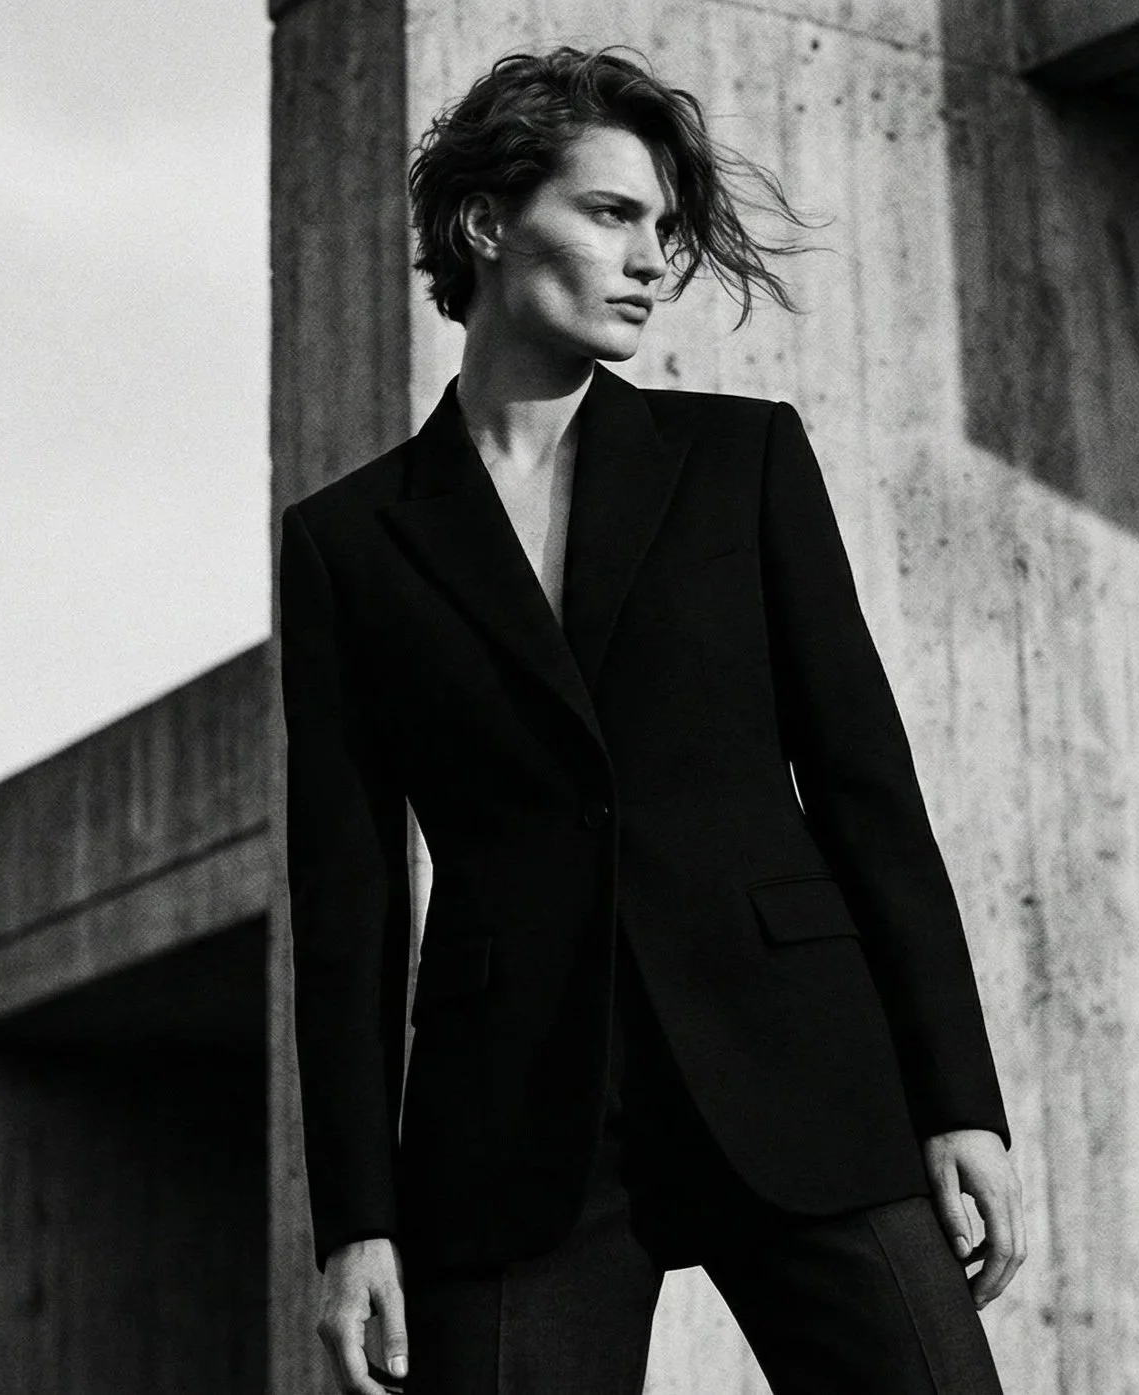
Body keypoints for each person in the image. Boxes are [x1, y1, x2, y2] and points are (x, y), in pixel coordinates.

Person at [279, 45, 1025, 1395]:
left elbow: (865, 792)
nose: (652, 260)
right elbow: (346, 904)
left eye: (666, 232)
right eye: (614, 213)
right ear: (487, 222)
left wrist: (957, 1094)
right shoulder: (350, 545)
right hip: (514, 1126)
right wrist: (357, 1221)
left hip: (798, 1065)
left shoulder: (741, 462)